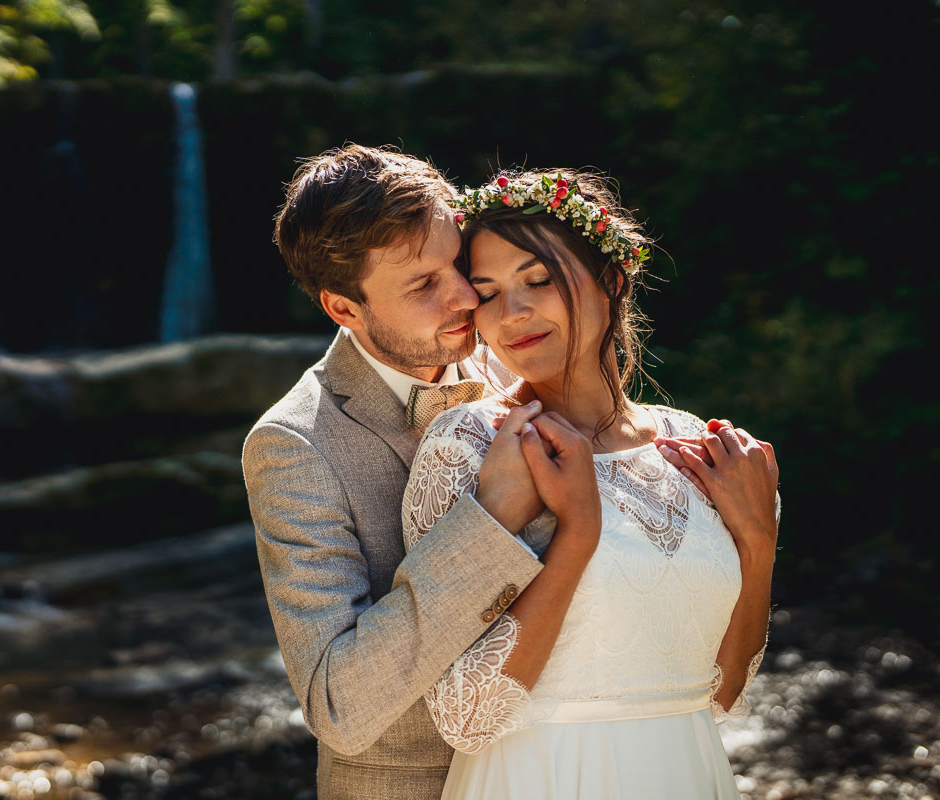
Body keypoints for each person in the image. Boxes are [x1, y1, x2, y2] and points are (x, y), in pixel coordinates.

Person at [243, 146, 720, 799]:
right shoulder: (295, 445)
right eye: (423, 285)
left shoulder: (517, 350)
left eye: (458, 266)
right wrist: (488, 522)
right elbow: (338, 704)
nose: (468, 297)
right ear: (344, 309)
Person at [402, 169, 780, 800]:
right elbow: (463, 716)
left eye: (538, 279)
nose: (513, 313)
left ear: (611, 279)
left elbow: (722, 691)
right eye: (488, 292)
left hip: (688, 773)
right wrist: (577, 534)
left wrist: (758, 542)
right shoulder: (472, 446)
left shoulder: (702, 452)